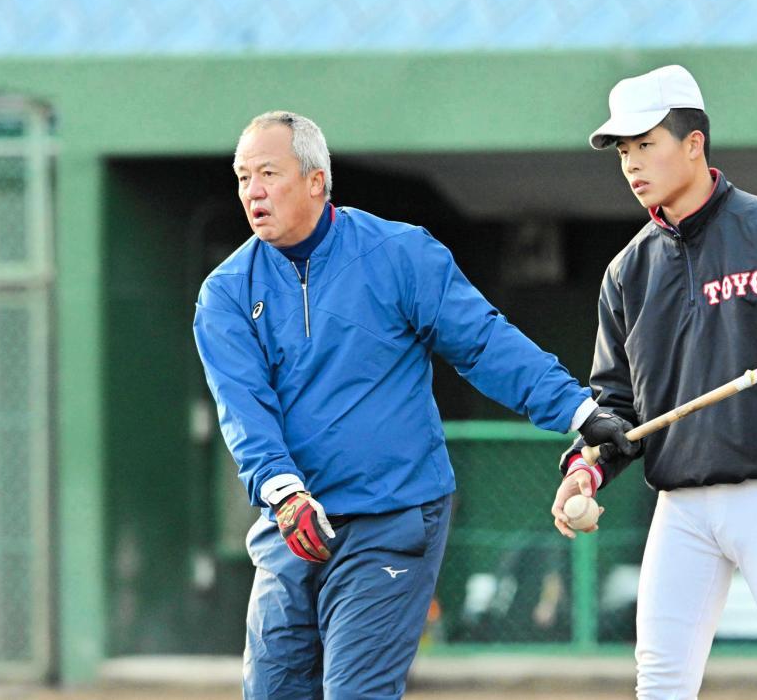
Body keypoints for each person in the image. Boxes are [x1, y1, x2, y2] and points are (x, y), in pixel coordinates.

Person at [193, 110, 630, 699]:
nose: (253, 192)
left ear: (316, 179)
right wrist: (283, 493)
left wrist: (579, 413)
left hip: (392, 516)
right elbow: (244, 409)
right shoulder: (225, 292)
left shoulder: (400, 253)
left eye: (267, 173)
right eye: (243, 177)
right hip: (289, 526)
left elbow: (483, 343)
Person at [551, 65, 757, 699]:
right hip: (680, 503)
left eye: (645, 144)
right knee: (658, 681)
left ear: (693, 143)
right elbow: (616, 401)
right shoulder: (626, 271)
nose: (632, 165)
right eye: (623, 151)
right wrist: (587, 463)